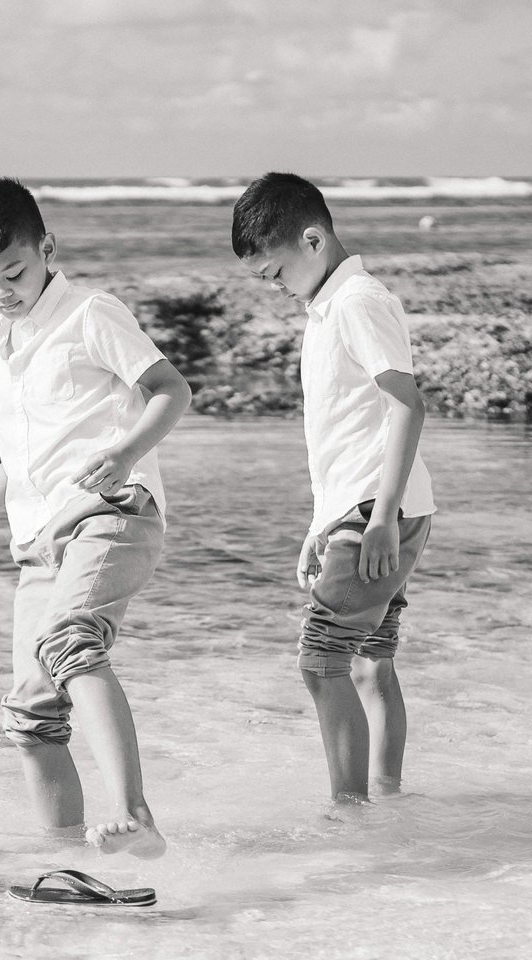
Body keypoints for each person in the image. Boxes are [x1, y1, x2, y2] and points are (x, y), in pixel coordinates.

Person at [0, 177, 190, 858]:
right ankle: (66, 858)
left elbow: (168, 389)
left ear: (47, 248)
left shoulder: (92, 314)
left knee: (71, 643)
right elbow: (25, 459)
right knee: (31, 719)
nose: (2, 290)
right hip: (39, 544)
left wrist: (125, 453)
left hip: (111, 514)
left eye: (14, 272)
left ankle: (136, 817)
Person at [232, 172, 435, 804]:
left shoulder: (357, 302)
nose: (276, 288)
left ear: (313, 240)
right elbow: (345, 431)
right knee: (372, 660)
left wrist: (377, 521)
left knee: (320, 662)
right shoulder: (329, 305)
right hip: (370, 504)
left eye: (276, 273)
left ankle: (351, 814)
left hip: (379, 510)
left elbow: (408, 407)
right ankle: (387, 799)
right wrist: (320, 525)